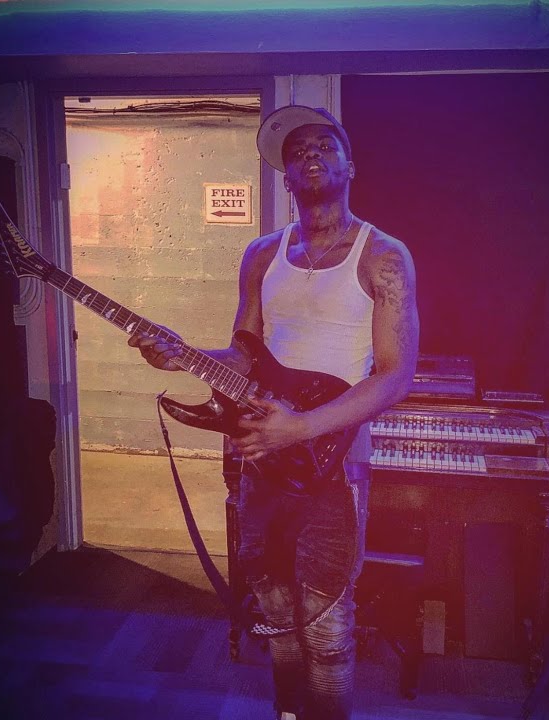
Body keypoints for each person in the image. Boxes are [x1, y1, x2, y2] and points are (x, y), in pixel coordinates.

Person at [129, 105, 419, 720]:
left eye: (324, 146)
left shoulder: (384, 256)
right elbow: (244, 353)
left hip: (333, 462)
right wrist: (181, 356)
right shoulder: (262, 254)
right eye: (297, 152)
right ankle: (288, 712)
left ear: (350, 166)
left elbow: (395, 376)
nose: (310, 155)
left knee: (327, 622)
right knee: (277, 610)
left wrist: (303, 425)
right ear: (286, 177)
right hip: (262, 456)